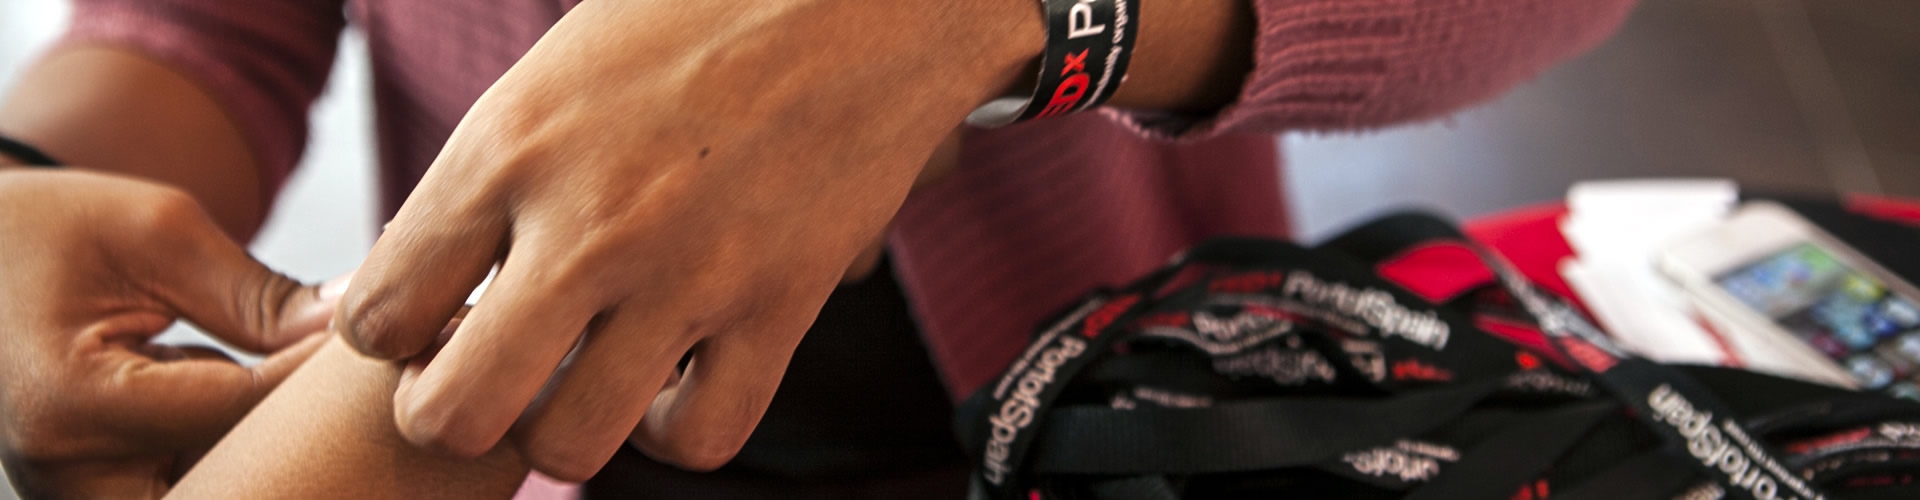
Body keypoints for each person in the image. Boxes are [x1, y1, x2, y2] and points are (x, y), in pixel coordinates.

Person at [0, 0, 1639, 498]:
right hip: (528, 439)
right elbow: (199, 28)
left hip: (1113, 416)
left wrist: (994, 16)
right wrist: (19, 193)